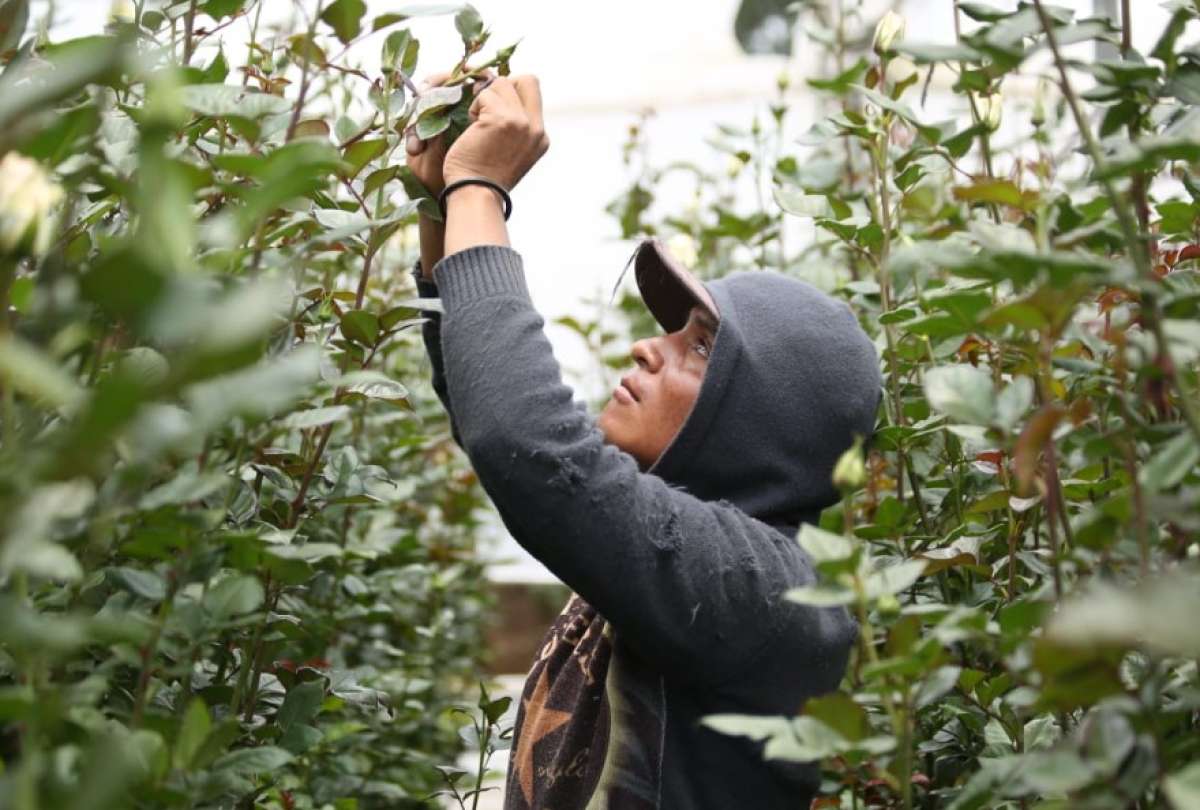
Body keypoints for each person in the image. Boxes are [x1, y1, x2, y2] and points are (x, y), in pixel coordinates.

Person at [405, 73, 881, 810]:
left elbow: (528, 449)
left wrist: (480, 191)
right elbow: (492, 418)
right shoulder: (678, 550)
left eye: (699, 348)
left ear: (763, 419)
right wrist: (445, 206)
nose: (645, 349)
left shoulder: (771, 591)